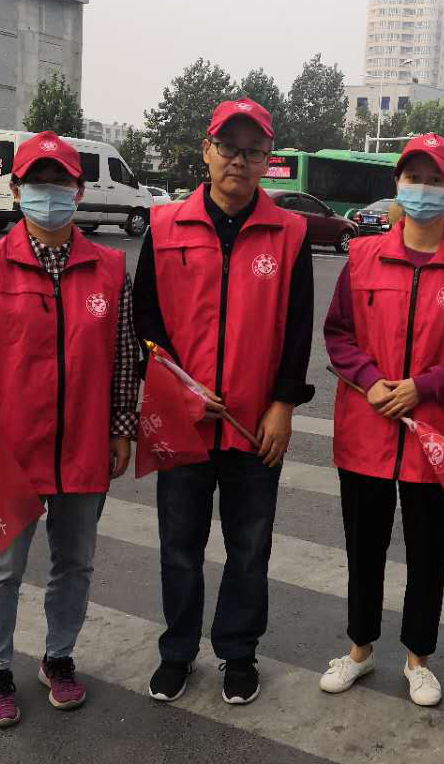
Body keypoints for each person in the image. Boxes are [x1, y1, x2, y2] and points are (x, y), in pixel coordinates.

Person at [0, 131, 139, 727]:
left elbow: (123, 358)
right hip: (9, 451)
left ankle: (59, 657)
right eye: (36, 183)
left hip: (83, 446)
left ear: (78, 192)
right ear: (16, 188)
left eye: (59, 183)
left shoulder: (109, 268)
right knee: (0, 569)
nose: (48, 194)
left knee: (74, 565)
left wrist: (121, 428)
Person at [132, 98, 314, 707]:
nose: (239, 160)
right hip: (184, 423)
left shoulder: (289, 233)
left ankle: (239, 653)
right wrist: (178, 391)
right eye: (229, 147)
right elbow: (144, 324)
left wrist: (283, 405)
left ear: (268, 161)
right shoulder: (164, 227)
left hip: (255, 425)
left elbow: (297, 329)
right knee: (179, 547)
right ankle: (178, 651)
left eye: (253, 151)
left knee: (250, 547)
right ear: (207, 151)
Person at [321, 134, 444, 705]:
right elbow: (339, 334)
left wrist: (424, 386)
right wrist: (371, 381)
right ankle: (360, 650)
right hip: (366, 430)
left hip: (437, 436)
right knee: (363, 547)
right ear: (397, 183)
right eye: (413, 178)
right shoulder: (363, 256)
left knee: (428, 552)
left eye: (435, 180)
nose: (423, 189)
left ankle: (419, 658)